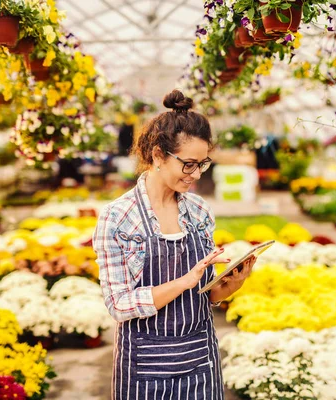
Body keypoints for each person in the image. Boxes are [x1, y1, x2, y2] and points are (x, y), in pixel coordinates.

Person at [93, 89, 257, 399]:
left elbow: (204, 297)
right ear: (157, 155)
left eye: (203, 164)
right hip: (145, 367)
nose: (196, 174)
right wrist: (185, 280)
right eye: (188, 164)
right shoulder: (118, 217)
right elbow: (119, 304)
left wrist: (231, 285)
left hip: (200, 359)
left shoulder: (198, 211)